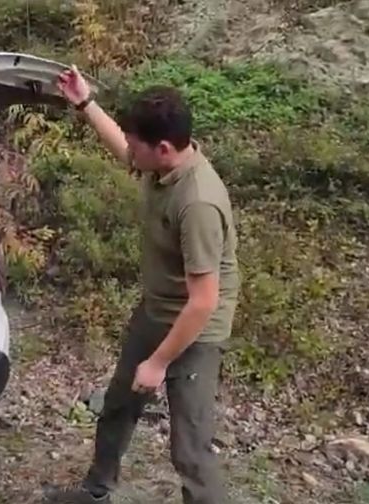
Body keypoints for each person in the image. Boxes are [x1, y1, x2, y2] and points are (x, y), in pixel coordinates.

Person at [44, 66, 240, 504]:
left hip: (195, 330)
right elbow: (123, 148)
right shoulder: (162, 166)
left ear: (164, 148)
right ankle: (97, 493)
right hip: (157, 309)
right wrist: (85, 103)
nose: (130, 150)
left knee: (190, 448)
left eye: (138, 144)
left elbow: (204, 301)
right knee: (117, 406)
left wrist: (158, 363)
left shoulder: (199, 203)